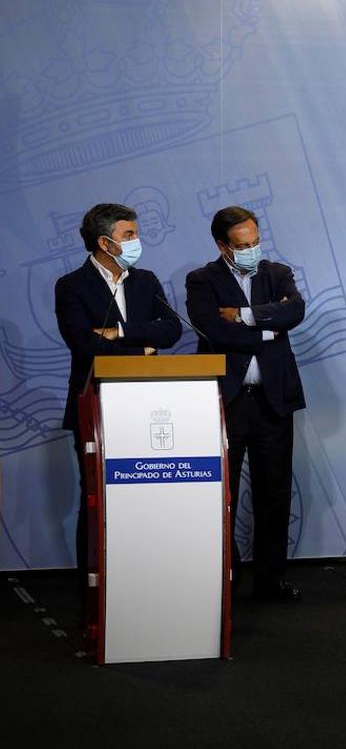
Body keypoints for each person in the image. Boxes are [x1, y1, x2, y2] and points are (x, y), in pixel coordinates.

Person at [54, 203, 182, 582]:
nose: (137, 241)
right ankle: (93, 585)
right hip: (96, 403)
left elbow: (172, 331)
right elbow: (83, 344)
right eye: (129, 235)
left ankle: (144, 579)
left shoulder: (145, 280)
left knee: (145, 494)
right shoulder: (71, 286)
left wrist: (120, 333)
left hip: (147, 404)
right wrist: (142, 345)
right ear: (105, 242)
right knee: (97, 497)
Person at [185, 206, 307, 601]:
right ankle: (227, 578)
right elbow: (214, 332)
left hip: (273, 399)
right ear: (223, 246)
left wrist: (245, 316)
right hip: (228, 401)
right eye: (242, 245)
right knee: (223, 494)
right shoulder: (202, 280)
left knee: (274, 494)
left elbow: (295, 311)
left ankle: (271, 581)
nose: (252, 249)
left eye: (255, 241)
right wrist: (269, 332)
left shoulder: (277, 273)